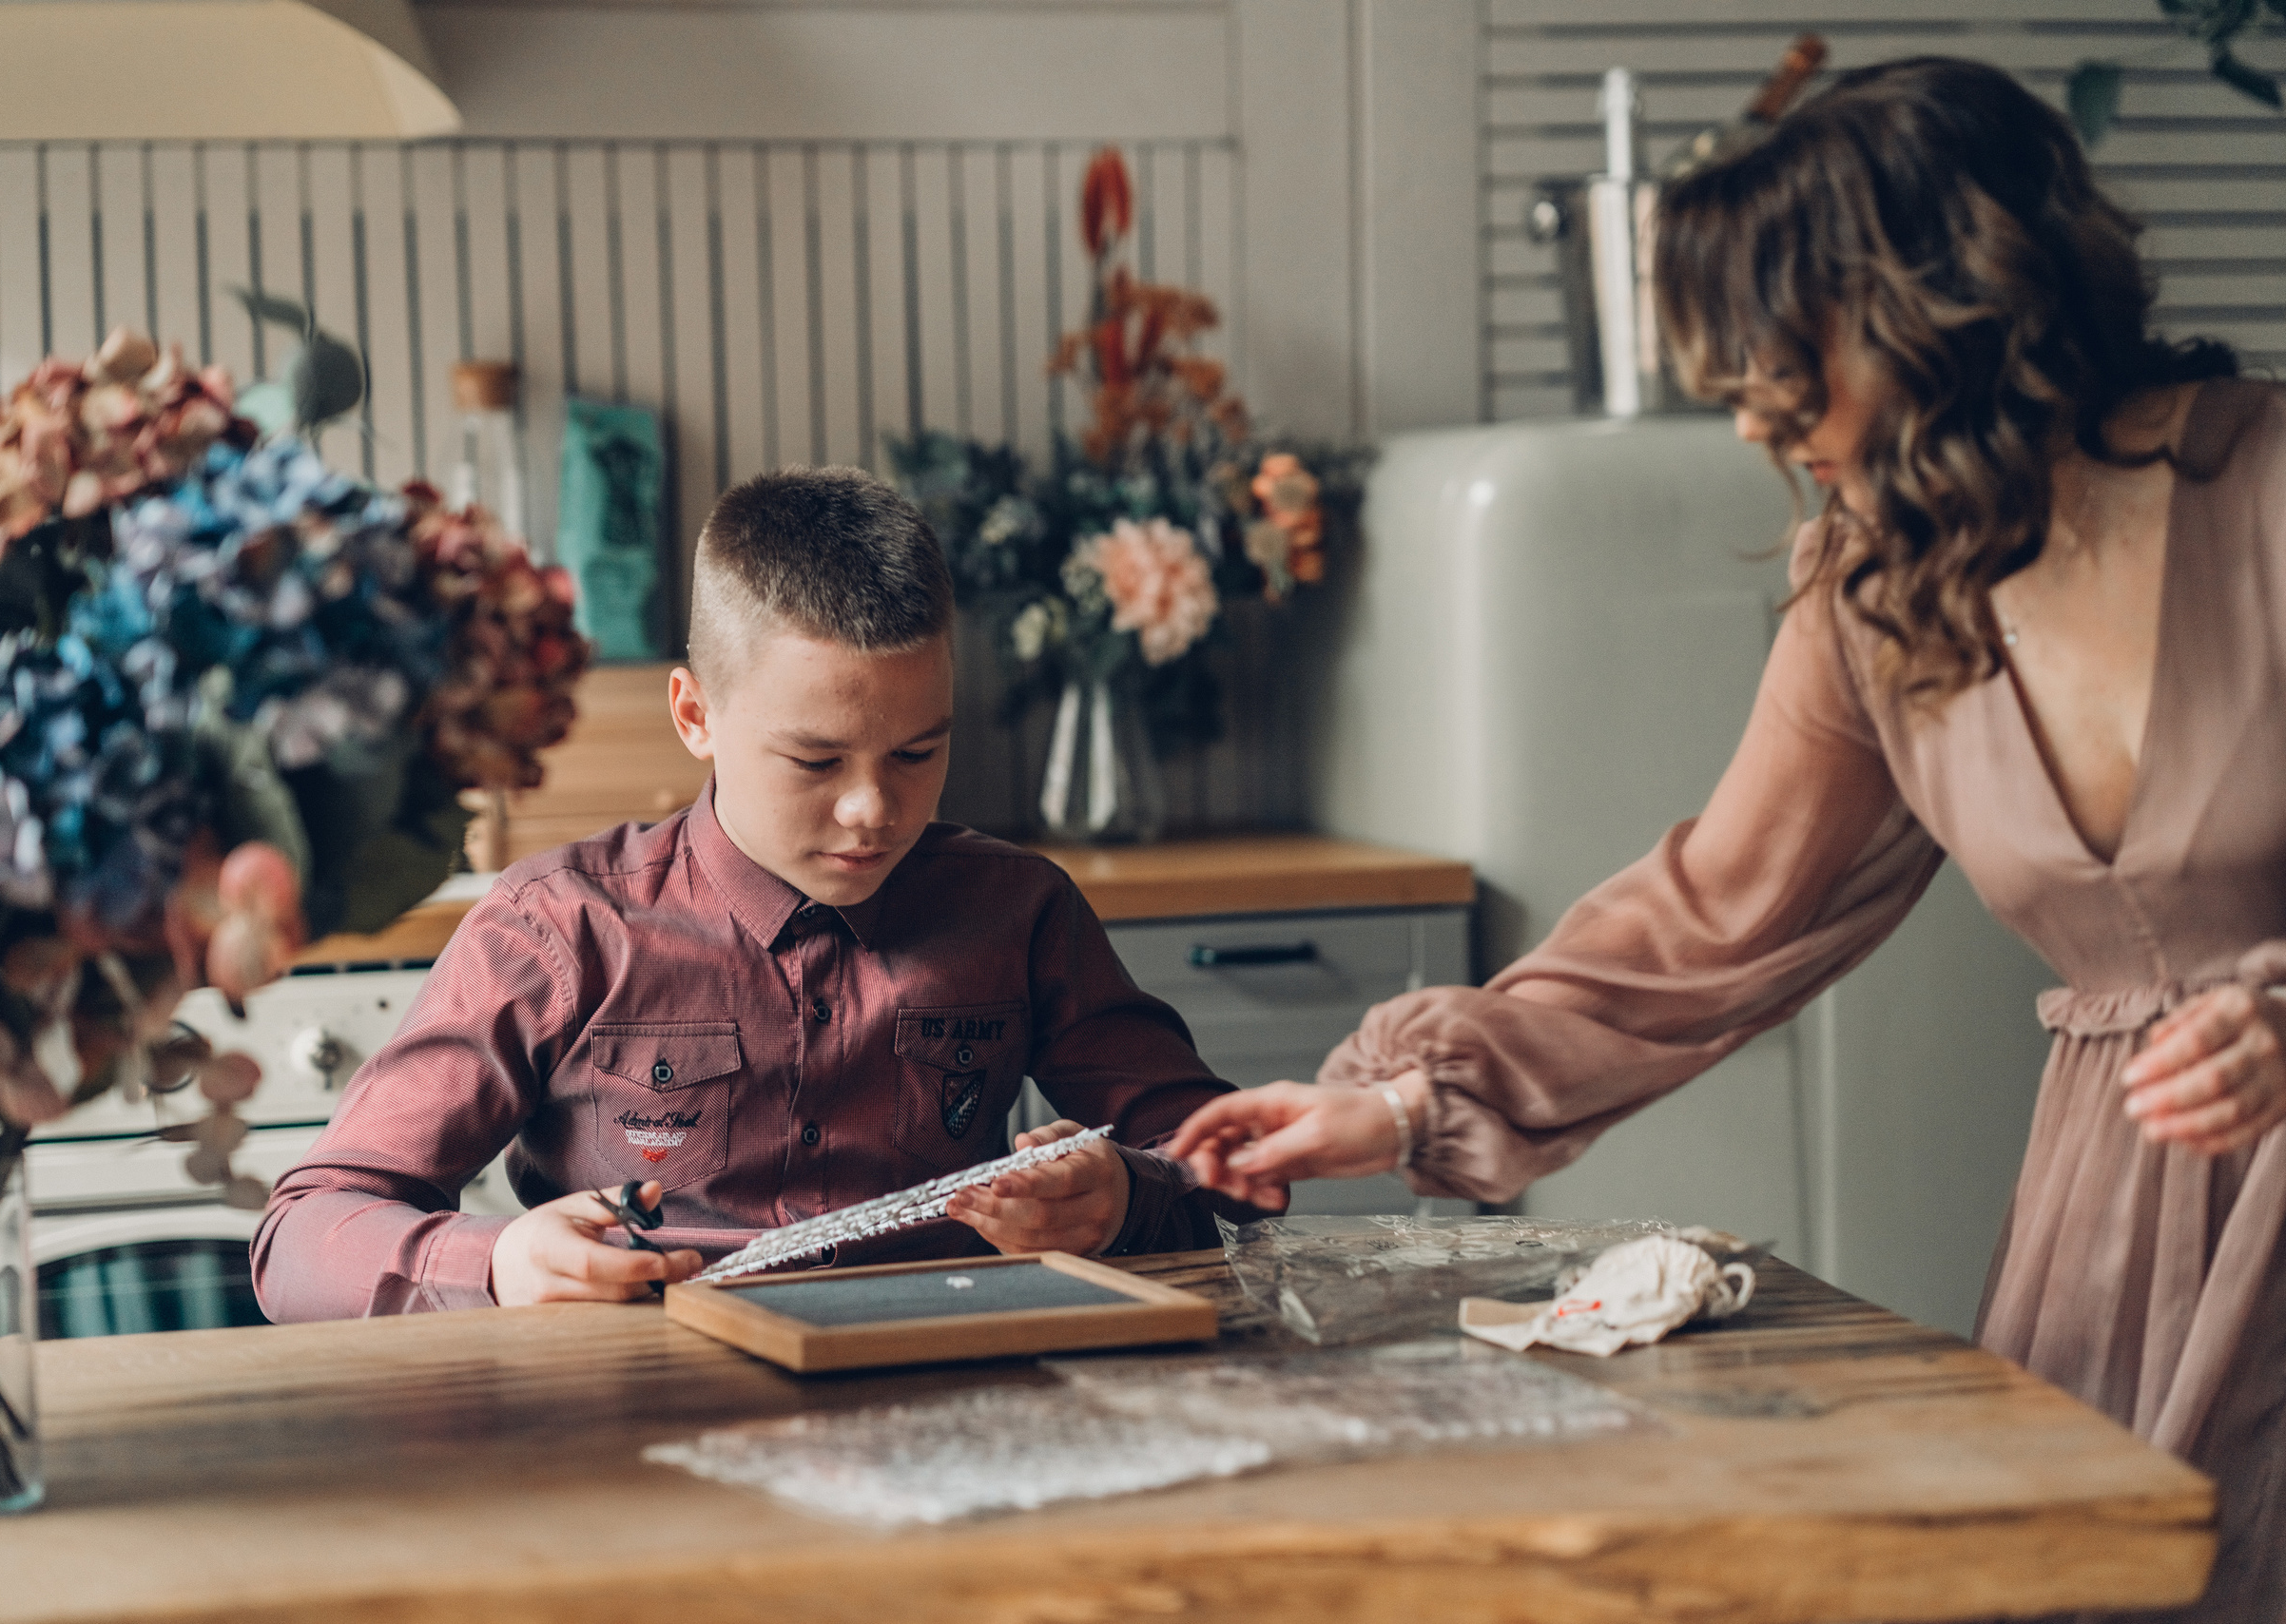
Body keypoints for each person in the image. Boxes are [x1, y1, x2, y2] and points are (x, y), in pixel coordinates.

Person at [1170, 57, 2285, 1621]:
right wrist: (1404, 1102)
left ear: (1933, 302)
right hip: (2114, 1228)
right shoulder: (1875, 592)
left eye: (1786, 355)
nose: (1759, 411)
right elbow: (1709, 918)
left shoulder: (2272, 486)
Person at [256, 465, 1265, 1320]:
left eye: (918, 750)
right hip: (632, 1426)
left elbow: (1241, 1172)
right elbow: (299, 1237)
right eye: (815, 761)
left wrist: (1123, 1198)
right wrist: (501, 1263)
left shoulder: (1021, 911)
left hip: (947, 1402)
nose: (873, 808)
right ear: (694, 712)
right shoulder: (561, 926)